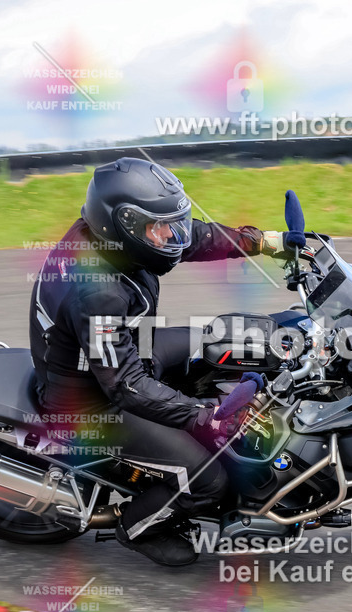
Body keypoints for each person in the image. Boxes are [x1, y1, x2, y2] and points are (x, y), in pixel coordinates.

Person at [28, 157, 305, 565]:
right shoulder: (97, 291)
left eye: (172, 223)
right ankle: (138, 528)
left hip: (126, 349)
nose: (171, 236)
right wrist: (201, 416)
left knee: (219, 343)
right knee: (209, 477)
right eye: (160, 228)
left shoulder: (119, 240)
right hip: (92, 403)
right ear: (122, 226)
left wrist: (263, 242)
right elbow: (126, 386)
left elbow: (193, 237)